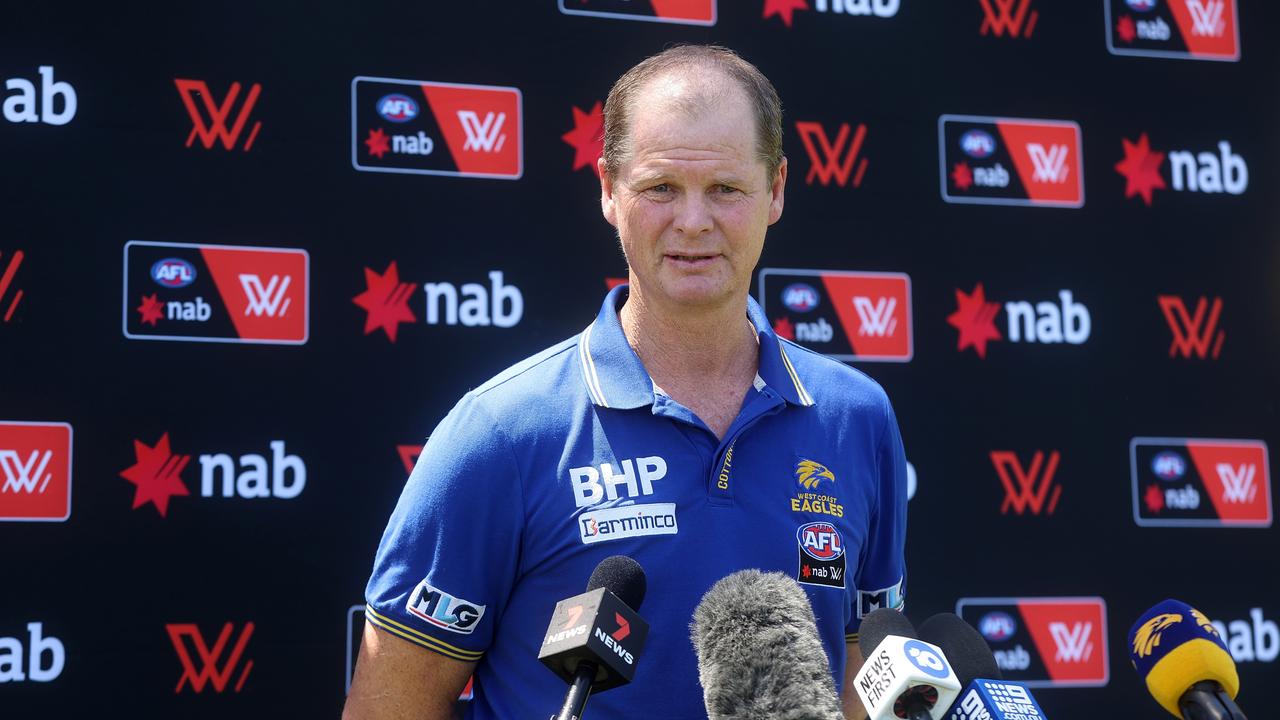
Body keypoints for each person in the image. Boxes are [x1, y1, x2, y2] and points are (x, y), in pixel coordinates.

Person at [344, 44, 907, 720]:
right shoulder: (501, 433)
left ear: (776, 190)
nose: (693, 222)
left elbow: (860, 682)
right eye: (660, 187)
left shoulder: (857, 417)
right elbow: (390, 706)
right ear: (609, 189)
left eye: (725, 189)